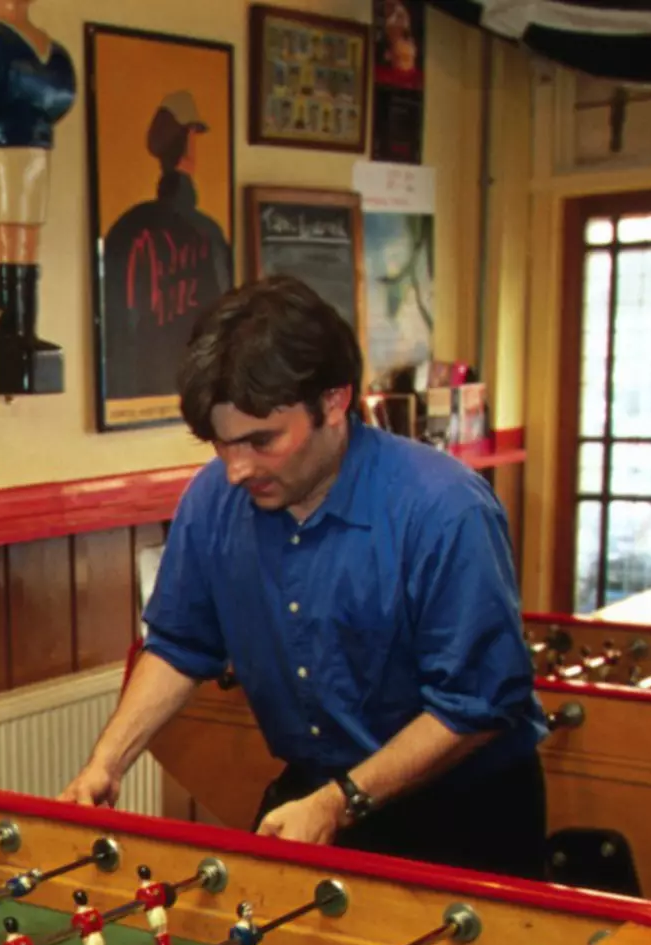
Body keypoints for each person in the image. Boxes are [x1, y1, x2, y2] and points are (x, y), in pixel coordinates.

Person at [62, 276, 548, 880]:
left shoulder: (445, 509)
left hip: (463, 814)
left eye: (261, 441)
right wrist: (106, 763)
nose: (237, 469)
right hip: (319, 789)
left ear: (335, 402)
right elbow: (181, 644)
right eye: (221, 443)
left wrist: (339, 802)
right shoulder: (213, 499)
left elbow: (475, 706)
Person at [0, 0, 76, 393]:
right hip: (0, 145)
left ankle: (26, 329)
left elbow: (59, 99)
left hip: (37, 147)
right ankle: (10, 331)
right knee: (6, 227)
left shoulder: (52, 47)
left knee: (31, 230)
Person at [101, 91, 234, 403]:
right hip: (197, 396)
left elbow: (117, 332)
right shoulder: (208, 233)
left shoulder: (125, 228)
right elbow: (225, 327)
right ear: (189, 138)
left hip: (134, 393)